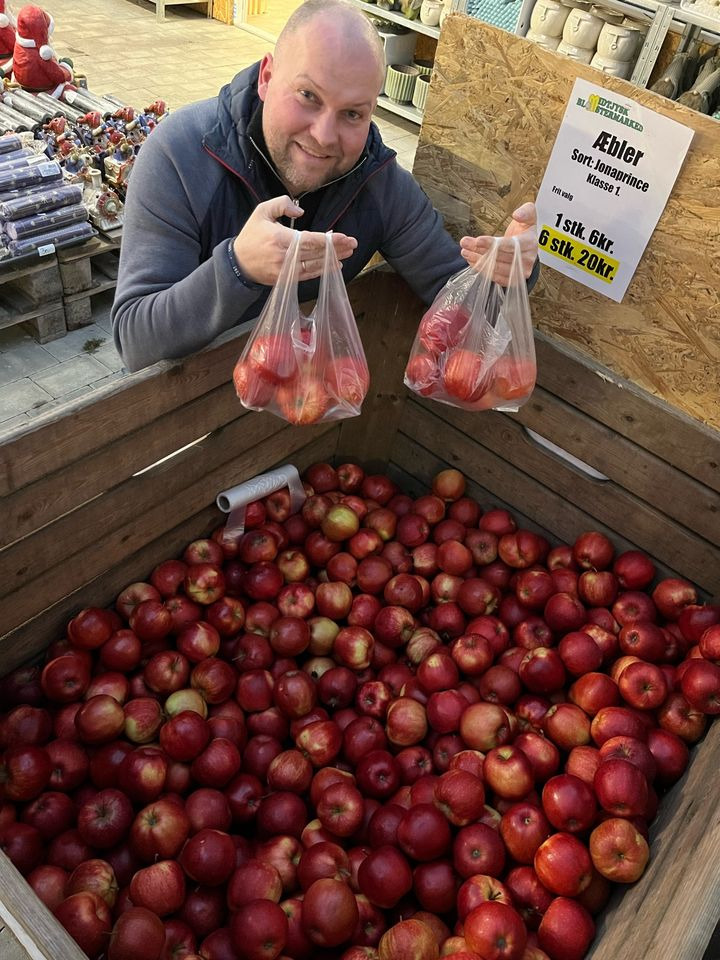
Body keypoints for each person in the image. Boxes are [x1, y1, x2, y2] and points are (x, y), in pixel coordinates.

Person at [112, 0, 539, 373]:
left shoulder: (381, 185)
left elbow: (459, 302)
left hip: (312, 414)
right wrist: (237, 267)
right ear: (266, 77)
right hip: (192, 423)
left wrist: (509, 274)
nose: (323, 135)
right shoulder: (181, 157)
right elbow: (136, 340)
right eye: (308, 96)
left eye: (353, 114)